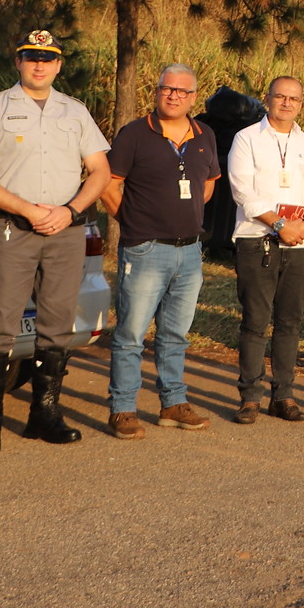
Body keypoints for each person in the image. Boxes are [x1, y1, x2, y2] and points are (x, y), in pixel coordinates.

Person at [0, 30, 110, 453]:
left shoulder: (75, 111)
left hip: (65, 230)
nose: (39, 65)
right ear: (18, 62)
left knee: (58, 324)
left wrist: (71, 210)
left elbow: (100, 170)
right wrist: (28, 210)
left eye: (47, 59)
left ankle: (44, 414)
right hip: (12, 229)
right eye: (31, 58)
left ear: (58, 65)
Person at [101, 64, 222, 439]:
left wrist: (186, 216)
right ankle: (123, 408)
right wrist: (133, 223)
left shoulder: (205, 134)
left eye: (182, 91)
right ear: (156, 92)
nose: (174, 95)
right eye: (167, 88)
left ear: (193, 97)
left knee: (175, 334)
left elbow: (208, 184)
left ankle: (173, 403)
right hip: (145, 250)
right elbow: (108, 185)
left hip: (189, 251)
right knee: (131, 335)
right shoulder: (135, 134)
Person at [226, 77, 304, 425]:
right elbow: (243, 191)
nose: (286, 103)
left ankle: (283, 395)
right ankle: (250, 397)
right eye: (280, 96)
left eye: (293, 98)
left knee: (290, 322)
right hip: (259, 240)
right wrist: (281, 224)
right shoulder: (246, 139)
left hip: (298, 243)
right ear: (267, 99)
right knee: (255, 322)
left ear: (301, 103)